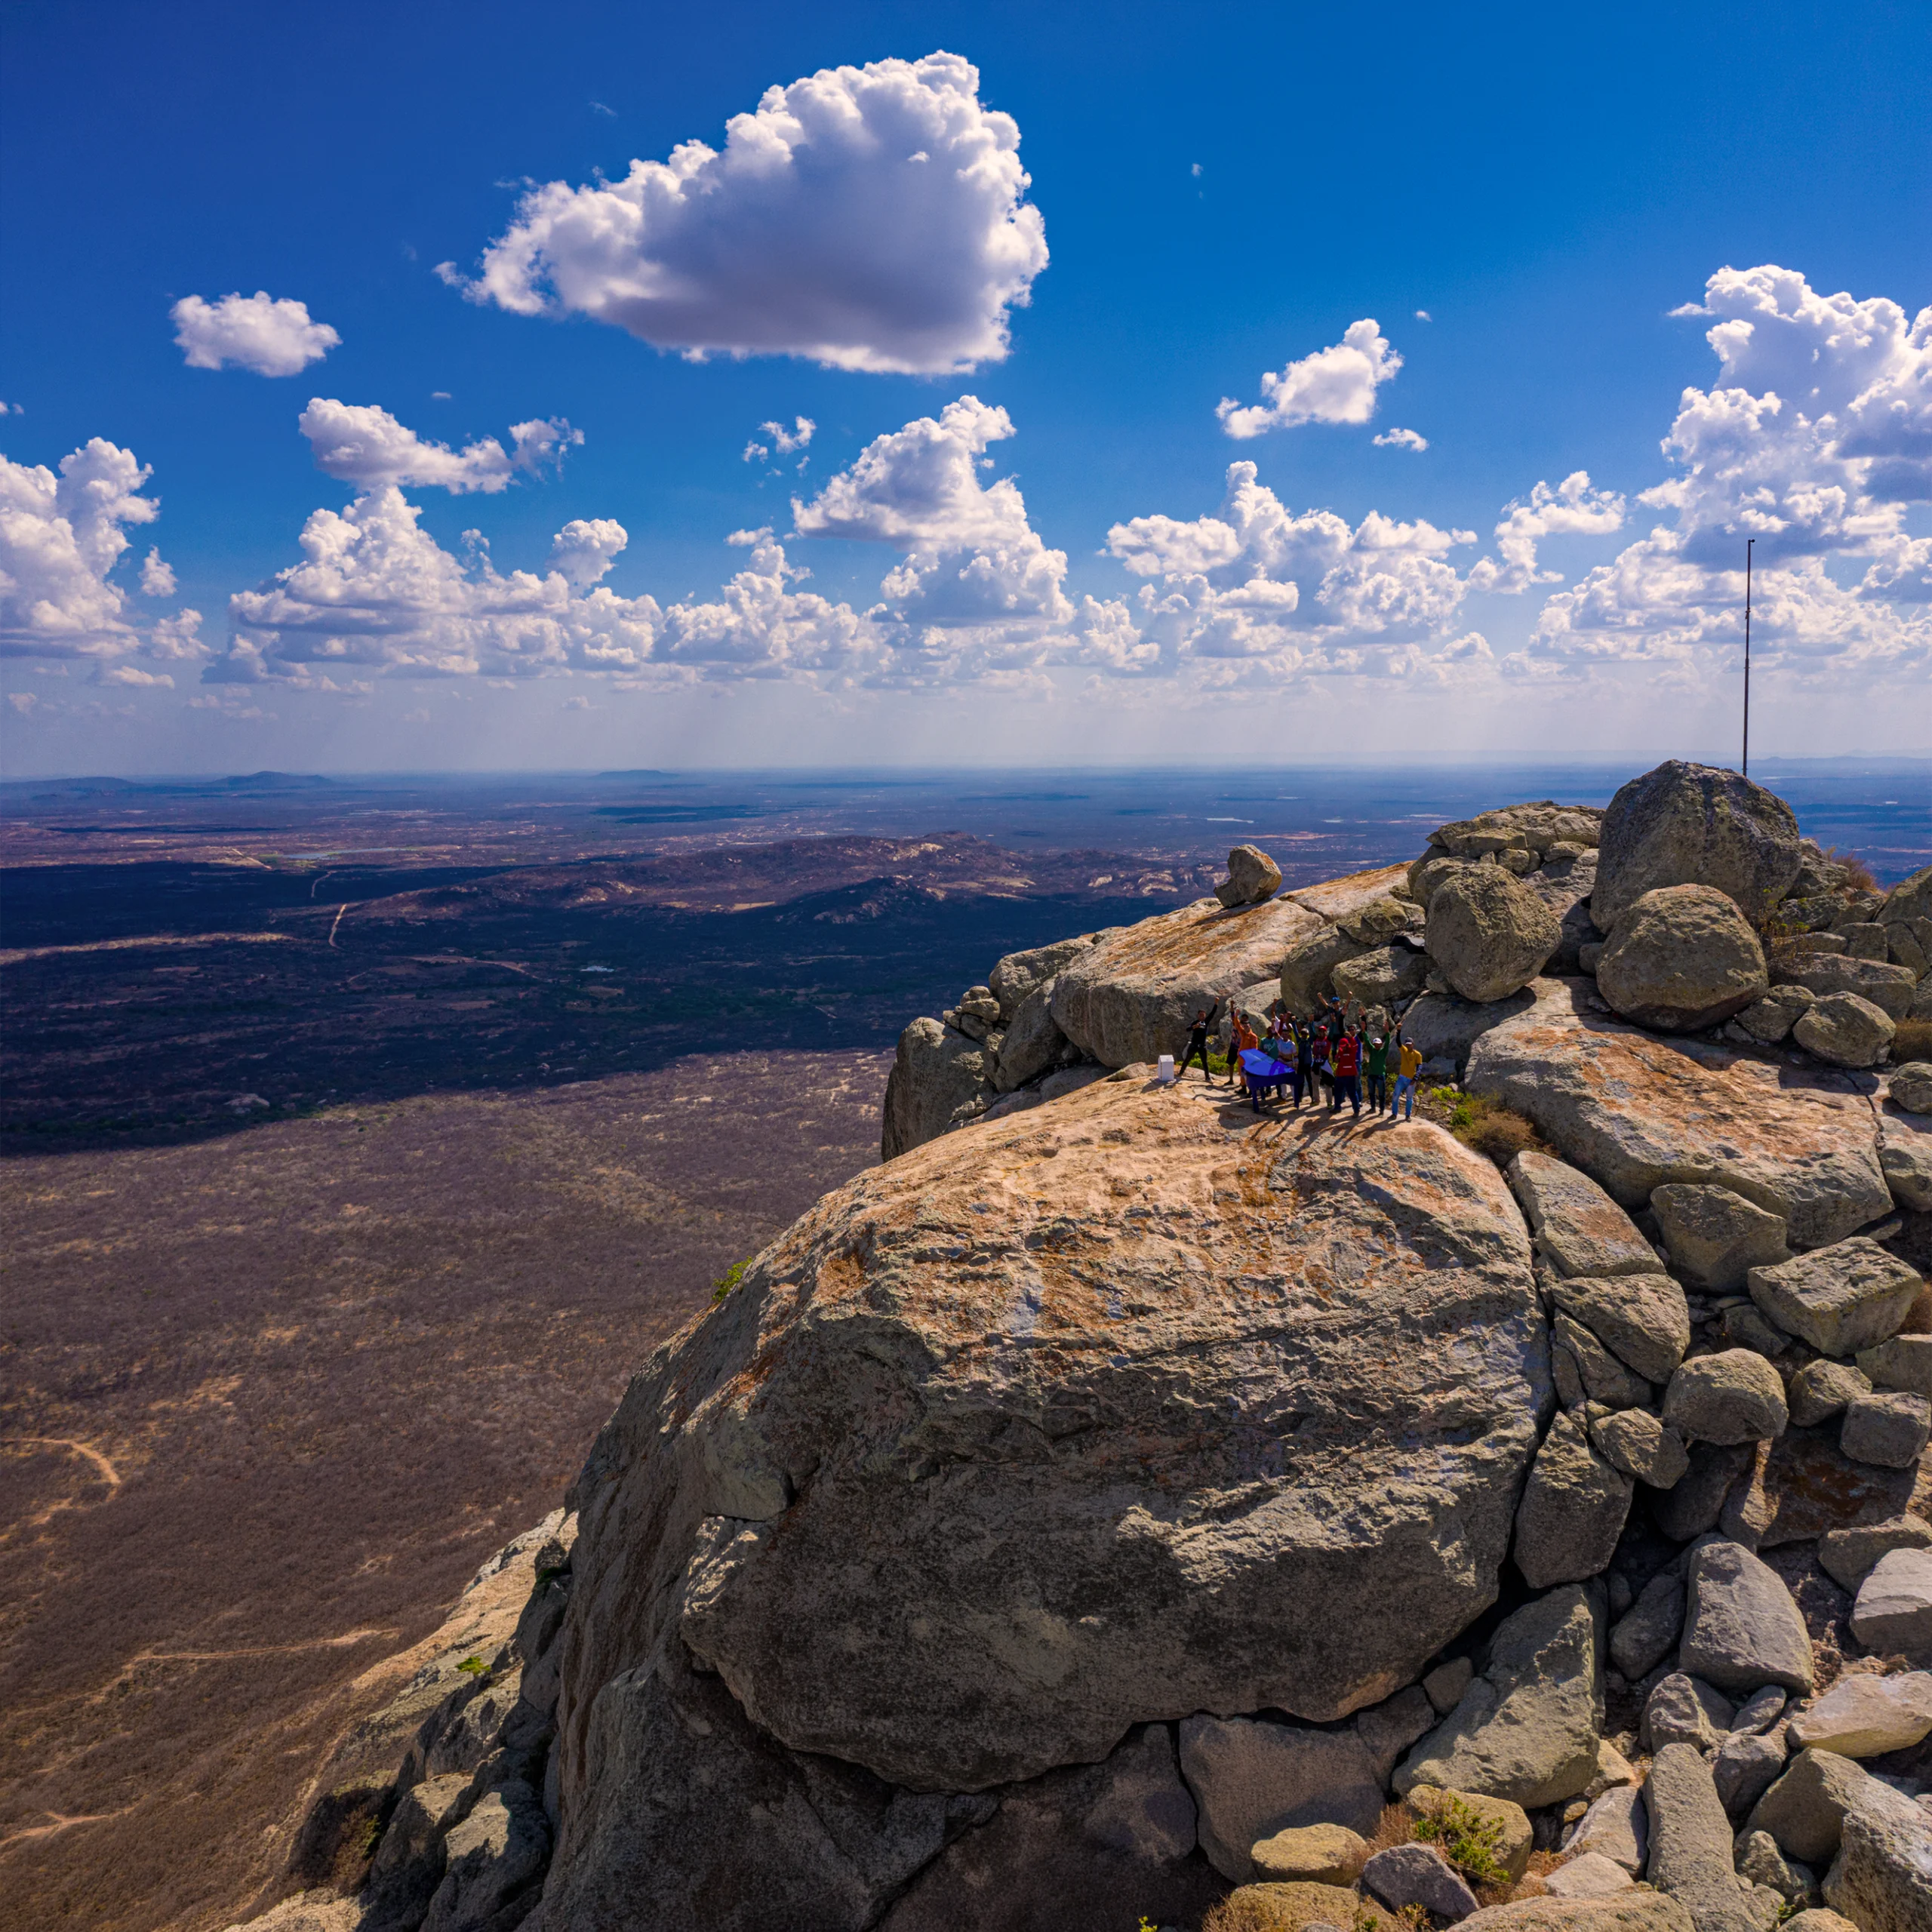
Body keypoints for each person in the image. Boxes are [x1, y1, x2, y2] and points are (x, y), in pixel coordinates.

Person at [1178, 1001, 1220, 1084]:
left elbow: (1212, 1014)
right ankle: (1181, 1073)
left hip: (1202, 1046)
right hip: (1194, 1045)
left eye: (1203, 1015)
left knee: (1205, 1062)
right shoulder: (1195, 1022)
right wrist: (1195, 1026)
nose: (1202, 1016)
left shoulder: (1206, 1022)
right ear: (1198, 1015)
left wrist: (1216, 1003)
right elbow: (1187, 1029)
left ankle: (1207, 1077)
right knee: (1187, 1059)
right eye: (1201, 1015)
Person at [1331, 1025, 1362, 1118]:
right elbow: (1337, 1058)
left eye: (1344, 1046)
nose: (1342, 1048)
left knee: (1352, 1093)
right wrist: (1336, 1058)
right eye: (1341, 1046)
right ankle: (1337, 1107)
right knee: (1338, 1091)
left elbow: (1356, 1045)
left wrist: (1351, 1037)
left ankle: (1356, 1110)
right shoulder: (1341, 1050)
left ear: (1347, 1045)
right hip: (1341, 1075)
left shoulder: (1352, 1050)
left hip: (1349, 1075)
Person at [1392, 1035, 1423, 1120]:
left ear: (1413, 1044)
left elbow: (1419, 1067)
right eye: (1407, 1044)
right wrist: (1398, 1031)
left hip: (1411, 1079)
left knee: (1409, 1098)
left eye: (1410, 1044)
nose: (1408, 1046)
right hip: (1402, 1077)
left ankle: (1408, 1115)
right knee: (1396, 1095)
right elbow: (1398, 1041)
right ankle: (1394, 1114)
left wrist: (1415, 1078)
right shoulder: (1404, 1051)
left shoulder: (1418, 1055)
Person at [1363, 1030, 1389, 1115]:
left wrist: (1387, 1032)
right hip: (1371, 1075)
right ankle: (1373, 1108)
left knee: (1381, 1094)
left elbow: (1388, 1043)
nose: (1377, 1045)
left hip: (1380, 1075)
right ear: (1374, 1044)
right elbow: (1367, 1042)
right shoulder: (1372, 1050)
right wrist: (1364, 1031)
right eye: (1376, 1044)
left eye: (1378, 1044)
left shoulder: (1383, 1051)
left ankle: (1381, 1110)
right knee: (1371, 1093)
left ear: (1381, 1044)